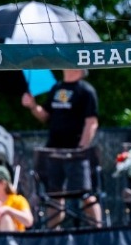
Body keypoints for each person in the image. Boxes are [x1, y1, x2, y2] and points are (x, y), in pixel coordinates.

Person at [23, 68, 102, 227]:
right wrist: (32, 106)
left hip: (76, 153)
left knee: (85, 194)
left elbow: (91, 122)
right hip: (53, 151)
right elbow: (45, 115)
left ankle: (98, 230)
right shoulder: (56, 88)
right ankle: (53, 234)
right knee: (55, 195)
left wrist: (81, 148)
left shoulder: (85, 90)